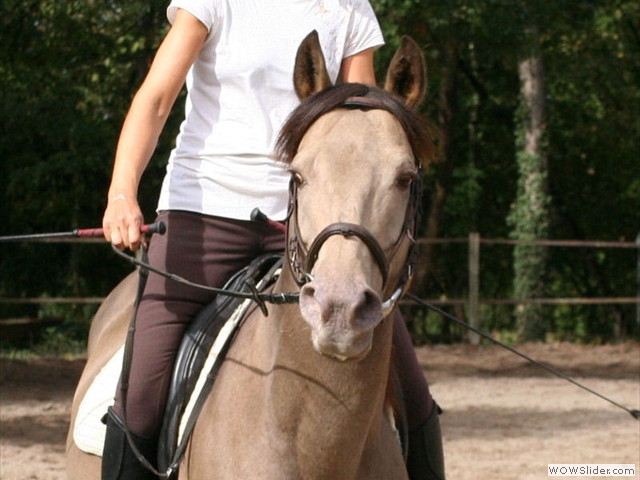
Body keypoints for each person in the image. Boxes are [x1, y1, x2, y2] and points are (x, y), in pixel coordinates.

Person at [100, 1, 445, 479]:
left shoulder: (348, 8)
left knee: (416, 396)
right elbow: (156, 98)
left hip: (312, 226)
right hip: (204, 215)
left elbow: (365, 121)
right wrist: (122, 192)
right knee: (141, 394)